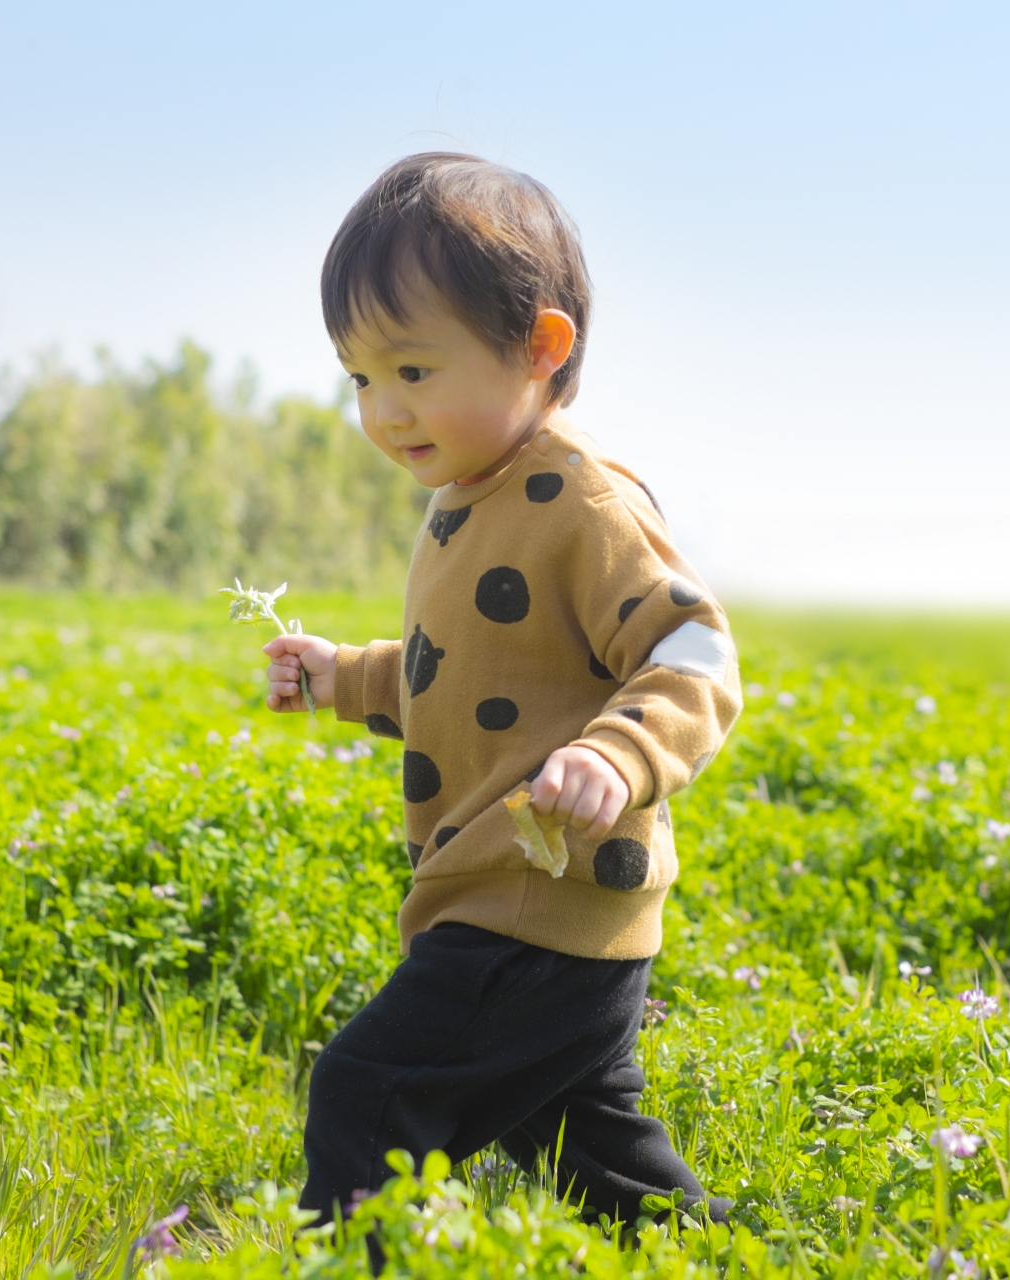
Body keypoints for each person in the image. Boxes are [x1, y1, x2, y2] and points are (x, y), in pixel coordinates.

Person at [261, 152, 741, 1230]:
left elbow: (698, 650)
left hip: (538, 893)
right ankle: (690, 1248)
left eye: (413, 369)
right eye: (359, 377)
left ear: (541, 346)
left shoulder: (583, 501)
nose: (383, 410)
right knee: (590, 1154)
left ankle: (349, 1259)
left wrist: (618, 756)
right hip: (538, 903)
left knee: (367, 1089)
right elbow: (465, 676)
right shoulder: (466, 499)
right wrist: (348, 678)